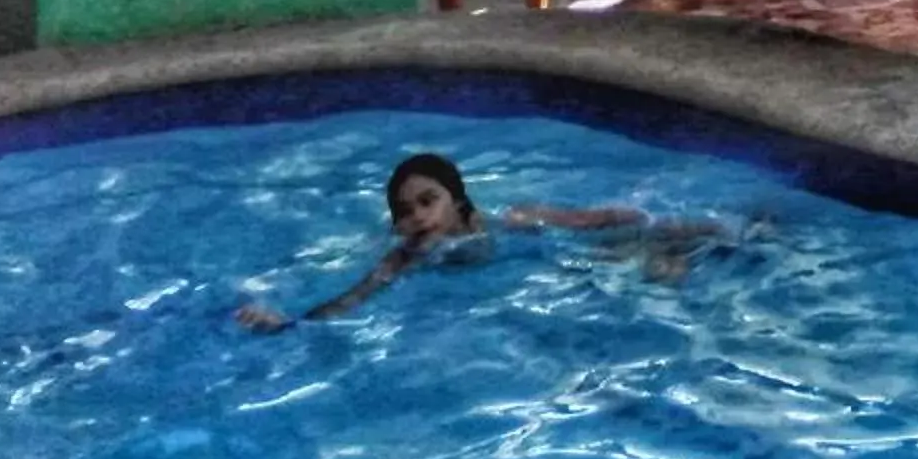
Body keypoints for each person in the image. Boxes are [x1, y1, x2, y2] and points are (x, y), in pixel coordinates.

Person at [235, 151, 716, 329]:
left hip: (560, 255)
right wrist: (288, 322)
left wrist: (656, 220)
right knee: (657, 273)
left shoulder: (514, 218)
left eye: (429, 200)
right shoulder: (407, 257)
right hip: (544, 280)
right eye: (405, 212)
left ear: (457, 199)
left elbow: (596, 218)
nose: (419, 216)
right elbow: (353, 298)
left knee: (668, 244)